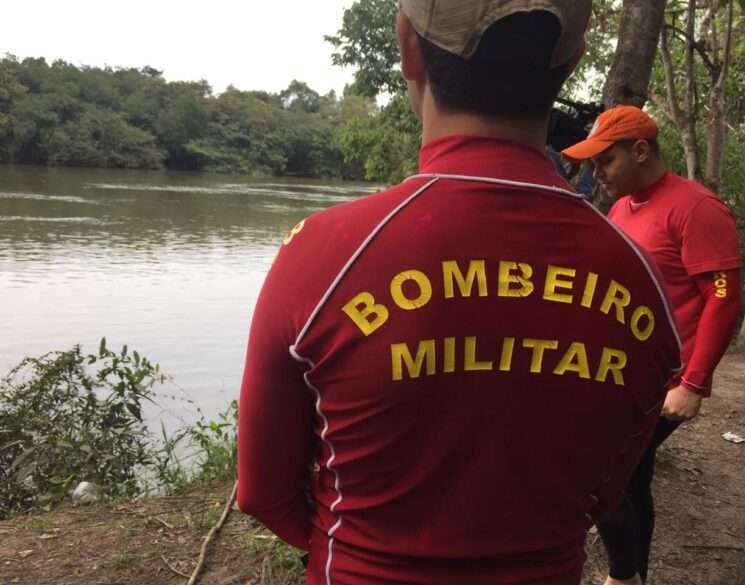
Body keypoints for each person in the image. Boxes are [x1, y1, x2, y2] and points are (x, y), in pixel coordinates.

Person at [237, 3, 682, 584]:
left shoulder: (326, 255)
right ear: (571, 61)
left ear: (407, 46)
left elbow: (264, 494)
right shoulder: (639, 281)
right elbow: (603, 495)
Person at [562, 105, 742, 585]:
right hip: (624, 372)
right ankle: (634, 573)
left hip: (665, 380)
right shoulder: (623, 207)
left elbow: (723, 299)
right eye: (592, 165)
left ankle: (621, 577)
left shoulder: (696, 208)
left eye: (605, 161)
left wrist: (694, 382)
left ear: (640, 150)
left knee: (604, 471)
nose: (596, 173)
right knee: (632, 474)